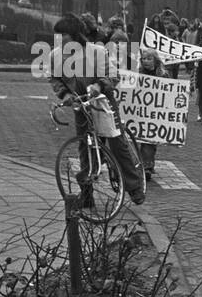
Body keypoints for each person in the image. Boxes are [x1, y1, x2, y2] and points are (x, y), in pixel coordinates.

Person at [47, 12, 145, 206]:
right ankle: (87, 192)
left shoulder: (96, 51)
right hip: (80, 104)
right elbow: (54, 78)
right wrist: (65, 95)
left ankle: (134, 187)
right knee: (85, 146)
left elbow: (112, 75)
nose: (59, 39)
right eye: (57, 35)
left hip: (102, 102)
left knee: (117, 143)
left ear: (74, 35)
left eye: (63, 35)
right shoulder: (55, 56)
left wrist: (100, 86)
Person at [134, 46, 168, 182]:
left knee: (150, 141)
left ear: (156, 60)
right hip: (140, 111)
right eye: (144, 59)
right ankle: (142, 165)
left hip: (155, 113)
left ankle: (147, 166)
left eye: (149, 58)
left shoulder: (163, 75)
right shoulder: (137, 74)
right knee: (140, 139)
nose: (146, 61)